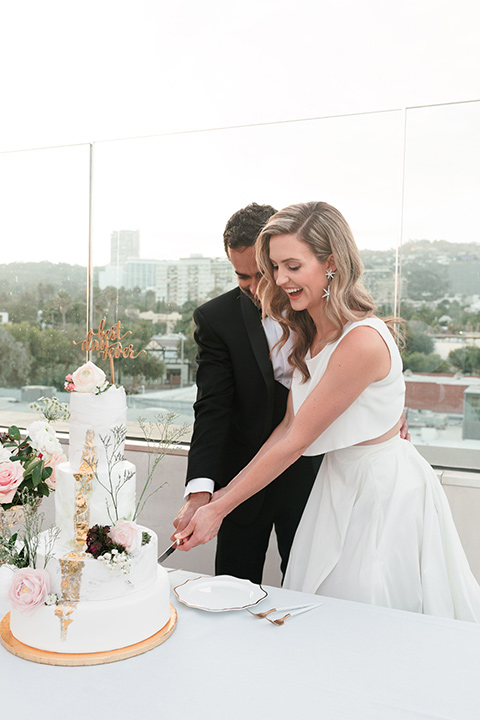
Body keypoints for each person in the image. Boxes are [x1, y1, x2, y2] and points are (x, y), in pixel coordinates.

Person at [175, 201, 480, 621]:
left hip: (378, 495)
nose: (279, 280)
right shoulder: (311, 332)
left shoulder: (361, 340)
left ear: (331, 263)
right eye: (275, 268)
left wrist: (218, 509)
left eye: (291, 267)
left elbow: (298, 439)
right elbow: (286, 427)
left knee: (365, 618)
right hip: (336, 484)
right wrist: (214, 497)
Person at [171, 203, 321, 584]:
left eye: (262, 272)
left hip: (314, 474)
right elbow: (212, 407)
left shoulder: (319, 304)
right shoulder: (215, 319)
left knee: (310, 587)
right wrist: (201, 491)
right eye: (242, 276)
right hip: (241, 480)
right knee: (230, 590)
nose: (255, 287)